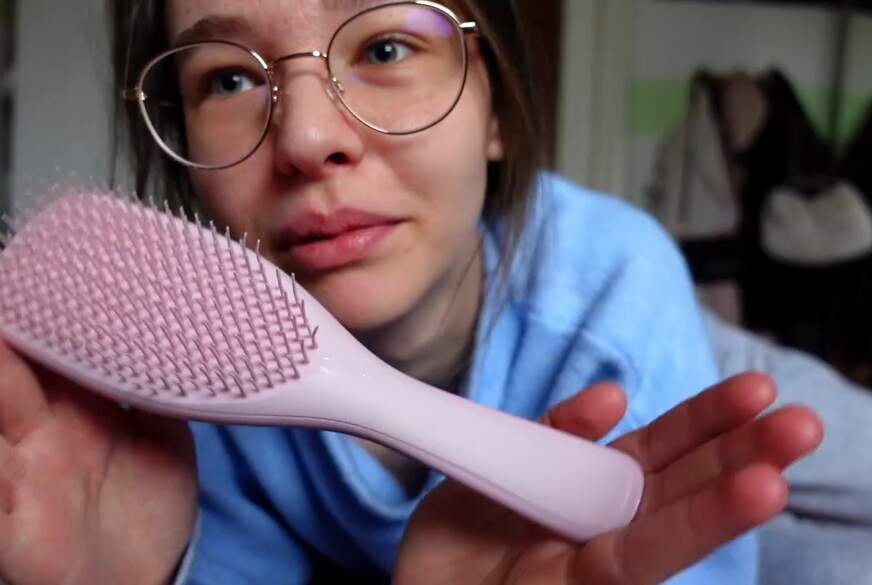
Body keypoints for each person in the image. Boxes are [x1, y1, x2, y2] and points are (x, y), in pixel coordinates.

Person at [0, 1, 822, 583]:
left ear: (495, 111)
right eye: (228, 80)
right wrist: (161, 567)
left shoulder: (615, 294)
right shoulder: (196, 373)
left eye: (386, 48)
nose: (306, 138)